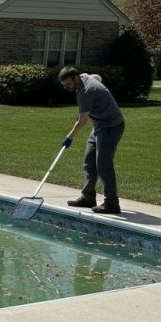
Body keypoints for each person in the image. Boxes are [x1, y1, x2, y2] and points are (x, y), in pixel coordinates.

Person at [58, 66, 125, 215]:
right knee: (89, 161)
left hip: (111, 126)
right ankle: (88, 197)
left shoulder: (86, 91)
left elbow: (82, 121)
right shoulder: (83, 77)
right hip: (99, 126)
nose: (68, 88)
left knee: (103, 165)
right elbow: (96, 77)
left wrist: (69, 138)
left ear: (76, 79)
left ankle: (112, 203)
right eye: (65, 86)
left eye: (69, 84)